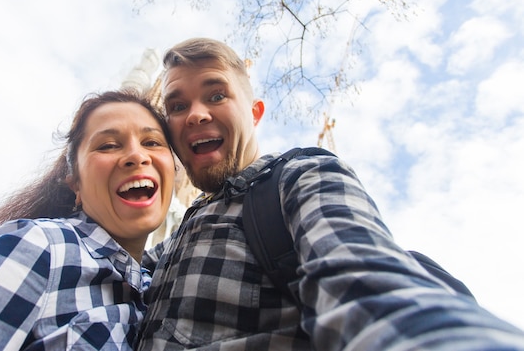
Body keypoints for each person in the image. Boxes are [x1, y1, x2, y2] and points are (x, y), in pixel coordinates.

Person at [136, 38, 524, 350]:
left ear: (254, 113)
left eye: (216, 95)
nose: (196, 114)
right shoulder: (170, 244)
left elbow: (363, 279)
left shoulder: (299, 178)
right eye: (177, 105)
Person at [0, 90, 176, 350]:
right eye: (108, 145)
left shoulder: (154, 290)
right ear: (74, 184)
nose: (137, 156)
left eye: (152, 142)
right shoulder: (43, 247)